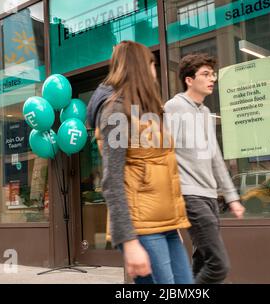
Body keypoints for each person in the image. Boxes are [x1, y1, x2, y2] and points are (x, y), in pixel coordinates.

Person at [87, 41, 193, 284]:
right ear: (140, 68)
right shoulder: (116, 111)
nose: (155, 70)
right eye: (152, 64)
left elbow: (164, 169)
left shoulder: (151, 111)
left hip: (165, 224)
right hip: (141, 228)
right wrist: (129, 241)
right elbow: (112, 180)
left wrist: (173, 219)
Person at [164, 53, 245, 284]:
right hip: (190, 195)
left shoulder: (205, 112)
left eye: (213, 74)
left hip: (209, 196)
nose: (212, 79)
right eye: (205, 74)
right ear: (189, 80)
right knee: (219, 265)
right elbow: (163, 153)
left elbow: (216, 158)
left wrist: (231, 197)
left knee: (202, 260)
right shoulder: (175, 107)